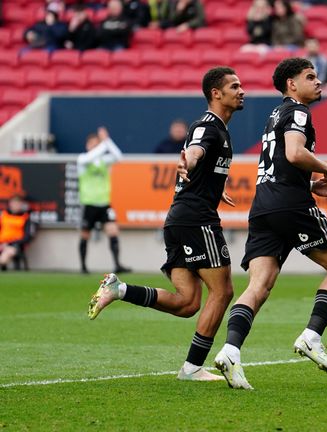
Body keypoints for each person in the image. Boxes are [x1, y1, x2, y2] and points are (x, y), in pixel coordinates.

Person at [87, 66, 246, 383]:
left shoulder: (219, 129)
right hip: (196, 219)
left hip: (179, 218)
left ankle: (119, 290)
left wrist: (215, 188)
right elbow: (196, 150)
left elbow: (202, 161)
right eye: (234, 86)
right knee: (223, 291)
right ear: (216, 93)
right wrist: (190, 160)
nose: (242, 91)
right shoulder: (208, 125)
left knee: (188, 303)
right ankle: (192, 368)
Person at [211, 57, 327, 390]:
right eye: (310, 76)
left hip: (263, 206)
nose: (318, 82)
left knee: (258, 286)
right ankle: (312, 336)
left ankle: (231, 351)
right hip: (291, 206)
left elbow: (279, 166)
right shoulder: (299, 112)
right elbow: (293, 153)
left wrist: (308, 184)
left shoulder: (275, 115)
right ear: (292, 84)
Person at [77, 126, 130, 275]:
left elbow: (119, 156)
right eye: (93, 144)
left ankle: (117, 265)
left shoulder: (104, 162)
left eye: (97, 143)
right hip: (89, 203)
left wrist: (107, 140)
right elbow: (91, 156)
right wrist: (103, 144)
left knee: (113, 231)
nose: (96, 146)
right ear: (88, 145)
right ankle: (83, 267)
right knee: (85, 234)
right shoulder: (82, 160)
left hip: (104, 203)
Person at [0, 195, 36, 271]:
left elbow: (27, 237)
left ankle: (3, 264)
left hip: (15, 245)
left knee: (7, 253)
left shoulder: (25, 217)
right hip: (2, 243)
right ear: (10, 204)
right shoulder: (4, 215)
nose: (15, 205)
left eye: (18, 203)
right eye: (14, 203)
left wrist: (10, 243)